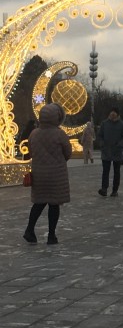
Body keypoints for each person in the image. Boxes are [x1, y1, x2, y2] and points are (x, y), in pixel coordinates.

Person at [23, 103, 71, 245]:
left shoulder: (34, 133)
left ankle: (29, 230)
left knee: (39, 203)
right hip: (56, 175)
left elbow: (31, 152)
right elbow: (67, 153)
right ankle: (51, 235)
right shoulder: (60, 134)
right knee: (54, 204)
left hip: (39, 174)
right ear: (57, 117)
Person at [98, 107, 123, 197]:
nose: (112, 115)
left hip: (117, 151)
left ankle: (115, 190)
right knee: (105, 171)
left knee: (116, 172)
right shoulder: (104, 124)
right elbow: (99, 135)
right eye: (111, 113)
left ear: (117, 114)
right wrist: (101, 144)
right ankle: (104, 189)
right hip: (106, 151)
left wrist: (120, 144)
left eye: (114, 113)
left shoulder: (122, 124)